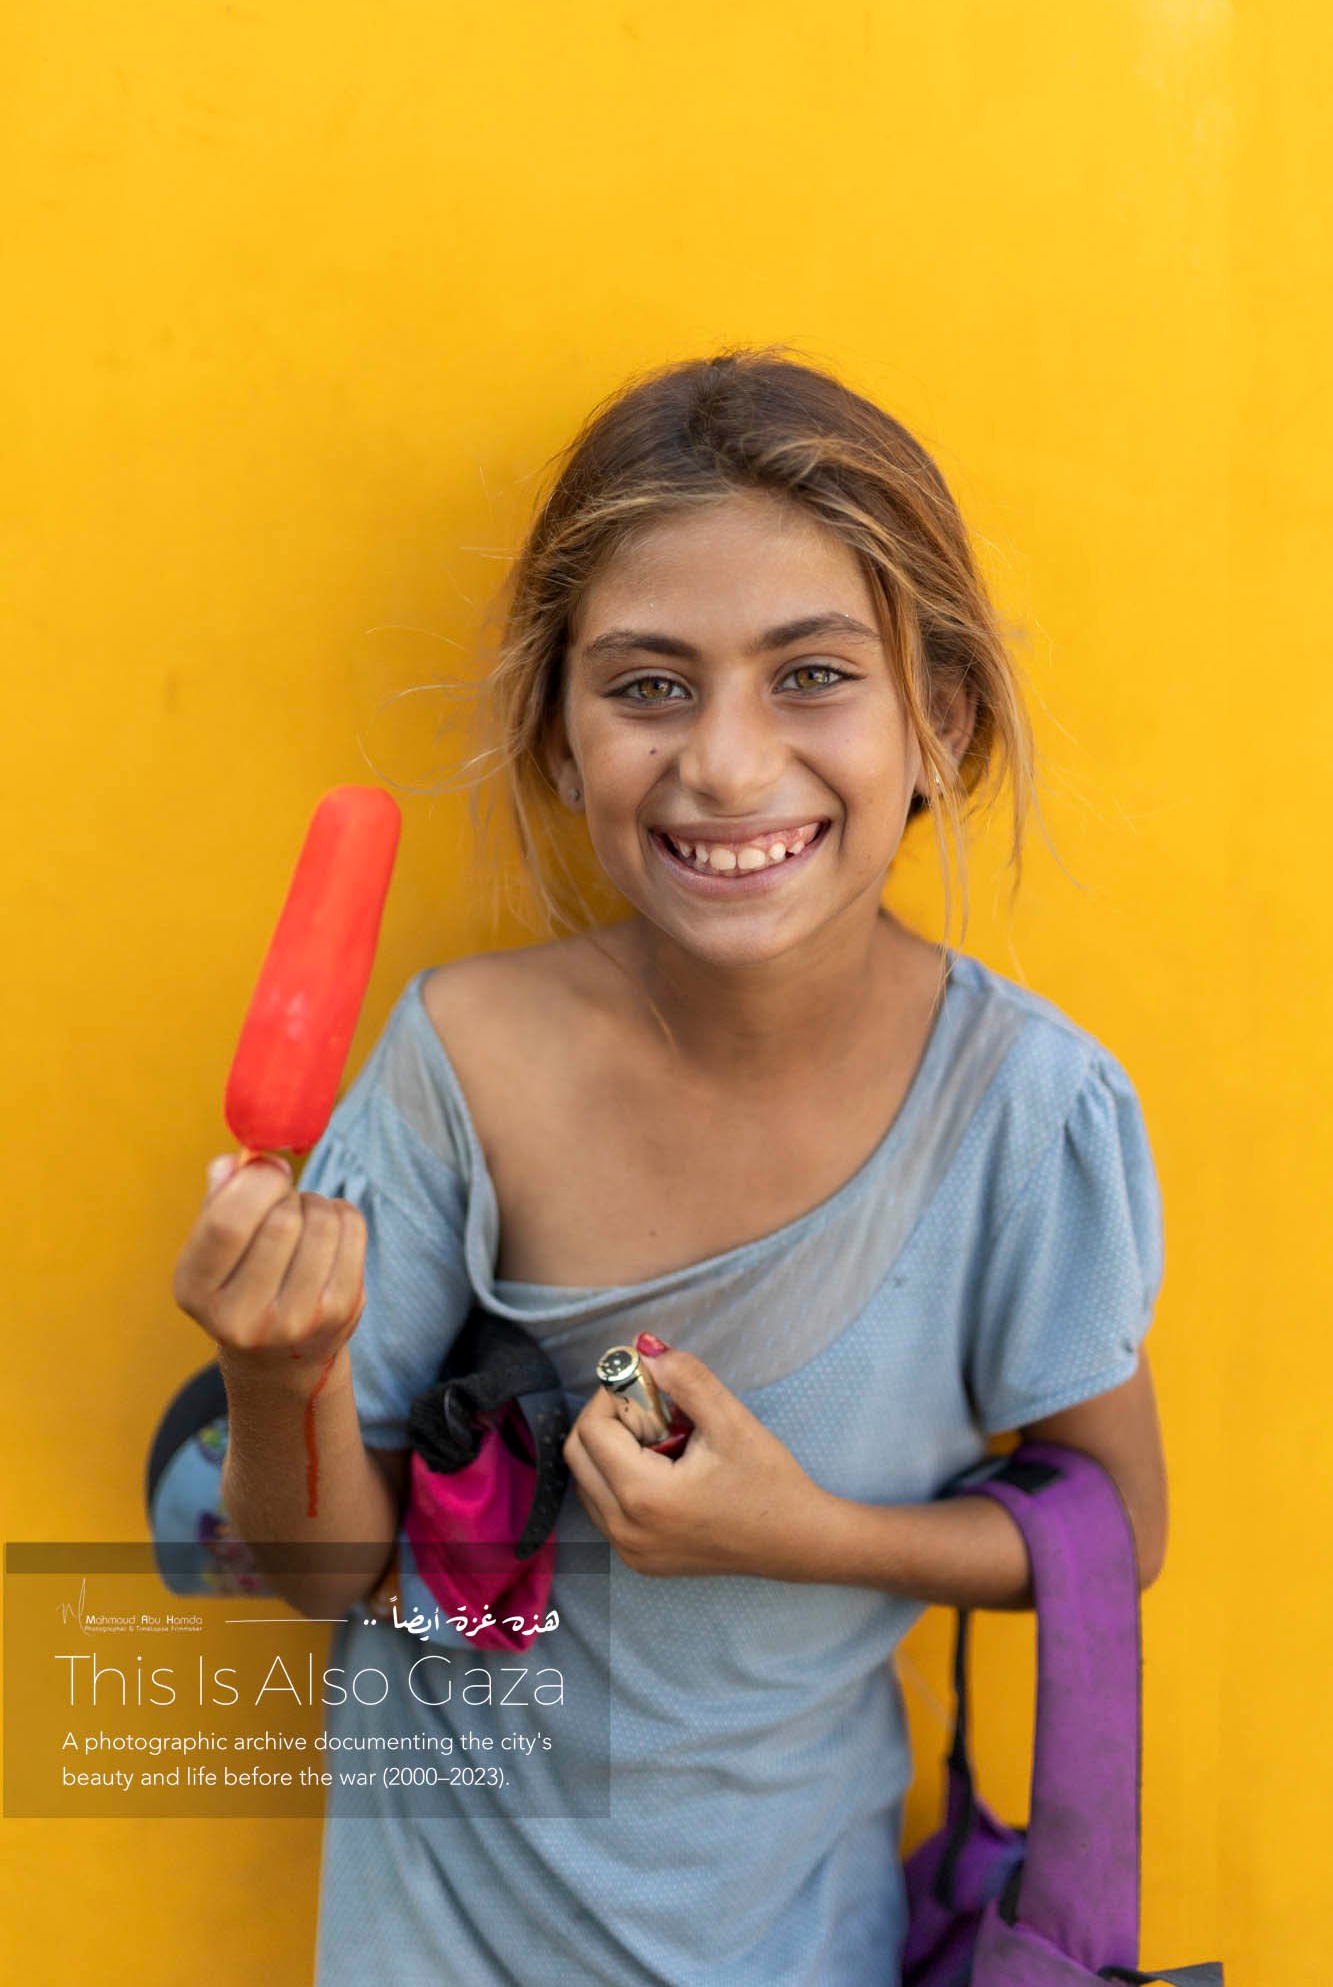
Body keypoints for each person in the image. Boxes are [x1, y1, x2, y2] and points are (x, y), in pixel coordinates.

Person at [166, 347, 1169, 1985]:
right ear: (561, 743)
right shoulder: (461, 1064)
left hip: (792, 1943)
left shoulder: (1023, 1113)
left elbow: (1114, 1527)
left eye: (811, 675)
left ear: (940, 721)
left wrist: (804, 1533)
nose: (724, 764)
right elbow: (321, 1573)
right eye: (646, 687)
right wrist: (275, 1375)